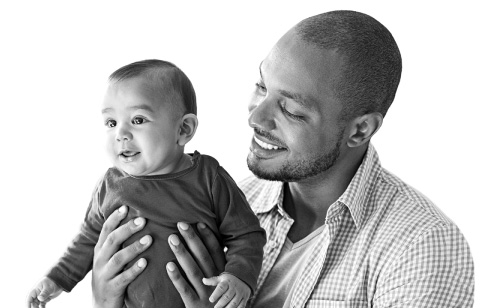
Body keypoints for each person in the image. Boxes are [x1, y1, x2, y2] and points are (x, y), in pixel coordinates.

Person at [91, 10, 475, 308]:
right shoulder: (227, 203)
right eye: (261, 85)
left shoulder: (421, 245)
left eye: (290, 109)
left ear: (359, 131)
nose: (255, 118)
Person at [26, 59, 266, 308]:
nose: (121, 133)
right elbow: (88, 240)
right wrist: (56, 279)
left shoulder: (209, 177)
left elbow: (247, 235)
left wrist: (238, 277)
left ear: (183, 129)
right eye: (112, 123)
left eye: (138, 120)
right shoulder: (110, 185)